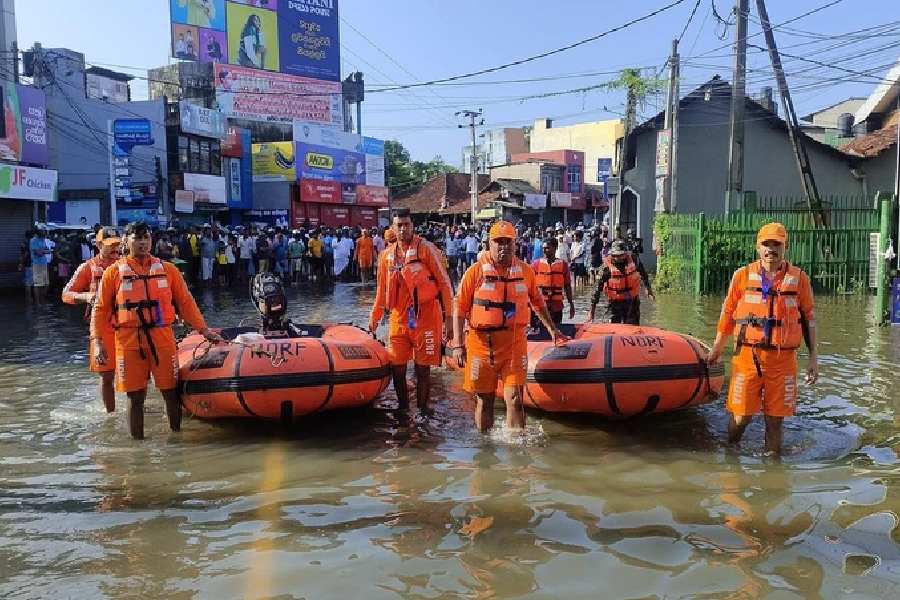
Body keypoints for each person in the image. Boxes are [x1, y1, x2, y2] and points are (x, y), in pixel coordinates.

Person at [91, 222, 223, 440]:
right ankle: (138, 450)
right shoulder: (113, 273)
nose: (143, 242)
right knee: (135, 397)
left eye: (146, 238)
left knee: (170, 392)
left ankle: (176, 439)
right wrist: (98, 342)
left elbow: (186, 302)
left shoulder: (168, 270)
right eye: (137, 238)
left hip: (162, 337)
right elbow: (100, 310)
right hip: (128, 341)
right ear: (126, 241)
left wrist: (204, 330)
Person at [706, 222, 818, 455]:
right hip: (747, 357)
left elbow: (808, 319)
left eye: (776, 244)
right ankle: (730, 453)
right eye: (766, 244)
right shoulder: (742, 276)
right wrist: (717, 347)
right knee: (742, 416)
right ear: (758, 247)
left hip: (783, 360)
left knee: (775, 421)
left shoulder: (799, 279)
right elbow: (727, 313)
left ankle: (773, 475)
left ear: (785, 246)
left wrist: (813, 358)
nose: (771, 249)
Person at [451, 221, 569, 433]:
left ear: (515, 244)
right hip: (480, 345)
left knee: (515, 399)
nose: (504, 247)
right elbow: (459, 310)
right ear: (489, 243)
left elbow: (538, 303)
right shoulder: (475, 272)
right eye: (499, 242)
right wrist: (458, 345)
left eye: (508, 242)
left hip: (513, 344)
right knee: (484, 401)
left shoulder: (525, 271)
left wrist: (552, 329)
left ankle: (517, 454)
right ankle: (484, 451)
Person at [369, 209, 454, 412]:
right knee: (397, 367)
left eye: (406, 224)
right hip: (399, 319)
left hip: (426, 316)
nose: (403, 228)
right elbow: (381, 292)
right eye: (399, 225)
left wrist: (449, 319)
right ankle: (403, 410)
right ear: (393, 228)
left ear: (412, 226)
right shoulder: (385, 257)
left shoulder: (426, 249)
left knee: (422, 369)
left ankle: (424, 411)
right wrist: (373, 322)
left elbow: (444, 284)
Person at [62, 228, 122, 413]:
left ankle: (136, 406)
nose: (115, 249)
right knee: (106, 375)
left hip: (127, 324)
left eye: (117, 245)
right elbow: (66, 294)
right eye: (110, 246)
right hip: (102, 327)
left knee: (135, 372)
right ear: (98, 245)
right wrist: (86, 296)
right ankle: (110, 414)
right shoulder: (87, 267)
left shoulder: (125, 264)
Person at [587, 240, 655, 325]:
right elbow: (597, 288)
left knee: (632, 326)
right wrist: (592, 311)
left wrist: (648, 288)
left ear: (626, 254)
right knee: (613, 326)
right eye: (615, 255)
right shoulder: (606, 268)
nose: (618, 258)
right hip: (614, 302)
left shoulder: (634, 260)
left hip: (632, 300)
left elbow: (643, 273)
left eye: (621, 255)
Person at [532, 237, 575, 326]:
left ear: (555, 248)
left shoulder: (563, 265)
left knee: (557, 330)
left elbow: (567, 286)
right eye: (543, 248)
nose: (544, 250)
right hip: (540, 306)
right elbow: (529, 286)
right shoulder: (535, 265)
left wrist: (571, 304)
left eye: (547, 248)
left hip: (557, 306)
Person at [29, 227, 52, 304]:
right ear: (38, 232)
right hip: (37, 264)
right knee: (38, 285)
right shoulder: (33, 240)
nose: (44, 232)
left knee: (46, 284)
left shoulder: (42, 240)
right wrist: (44, 251)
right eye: (42, 231)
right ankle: (38, 303)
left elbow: (48, 250)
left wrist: (43, 251)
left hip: (44, 263)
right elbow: (38, 253)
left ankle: (42, 300)